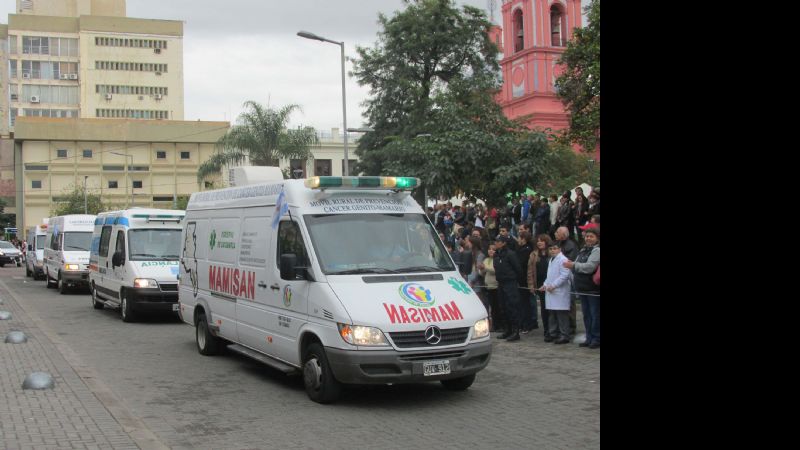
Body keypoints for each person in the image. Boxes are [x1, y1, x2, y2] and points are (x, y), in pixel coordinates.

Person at [564, 227, 600, 349]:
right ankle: (589, 337)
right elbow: (578, 264)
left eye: (591, 236)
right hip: (583, 288)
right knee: (586, 315)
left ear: (597, 238)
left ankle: (596, 338)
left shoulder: (597, 251)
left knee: (595, 315)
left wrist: (573, 265)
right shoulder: (583, 250)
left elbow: (590, 267)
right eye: (587, 236)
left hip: (593, 288)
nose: (588, 238)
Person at [493, 234, 522, 342]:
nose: (495, 243)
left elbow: (518, 269)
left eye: (498, 241)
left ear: (504, 243)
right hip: (501, 283)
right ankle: (508, 329)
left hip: (510, 283)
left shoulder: (510, 254)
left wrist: (512, 278)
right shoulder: (496, 255)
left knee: (512, 307)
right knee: (503, 307)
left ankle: (515, 331)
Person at [541, 241, 572, 344]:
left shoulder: (563, 259)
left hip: (559, 291)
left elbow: (564, 275)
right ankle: (553, 333)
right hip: (551, 292)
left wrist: (554, 285)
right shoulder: (551, 260)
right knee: (552, 314)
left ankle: (564, 335)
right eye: (551, 249)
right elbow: (549, 276)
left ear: (559, 249)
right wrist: (545, 285)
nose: (552, 250)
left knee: (561, 315)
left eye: (555, 248)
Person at [528, 234, 553, 341]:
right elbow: (530, 271)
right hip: (540, 285)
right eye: (538, 241)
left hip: (552, 286)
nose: (539, 242)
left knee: (552, 309)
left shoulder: (552, 253)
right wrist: (531, 285)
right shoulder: (534, 254)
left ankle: (554, 330)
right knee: (544, 309)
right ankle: (546, 330)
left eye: (541, 241)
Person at [555, 226, 578, 333]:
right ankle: (563, 325)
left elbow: (569, 261)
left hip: (568, 277)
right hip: (558, 275)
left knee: (570, 302)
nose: (555, 234)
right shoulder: (558, 244)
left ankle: (571, 325)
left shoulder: (570, 245)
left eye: (557, 232)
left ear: (563, 235)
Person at [516, 230, 538, 333]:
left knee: (525, 303)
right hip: (521, 279)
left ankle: (527, 324)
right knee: (522, 303)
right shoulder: (521, 249)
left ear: (524, 239)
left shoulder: (526, 250)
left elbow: (521, 264)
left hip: (524, 279)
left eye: (519, 238)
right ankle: (523, 323)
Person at [479, 243, 503, 332]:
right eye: (489, 249)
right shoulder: (486, 260)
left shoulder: (497, 260)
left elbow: (495, 270)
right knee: (492, 308)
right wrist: (481, 269)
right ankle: (494, 325)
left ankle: (500, 325)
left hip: (496, 286)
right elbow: (482, 273)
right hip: (488, 287)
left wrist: (485, 268)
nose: (491, 251)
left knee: (498, 307)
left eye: (493, 249)